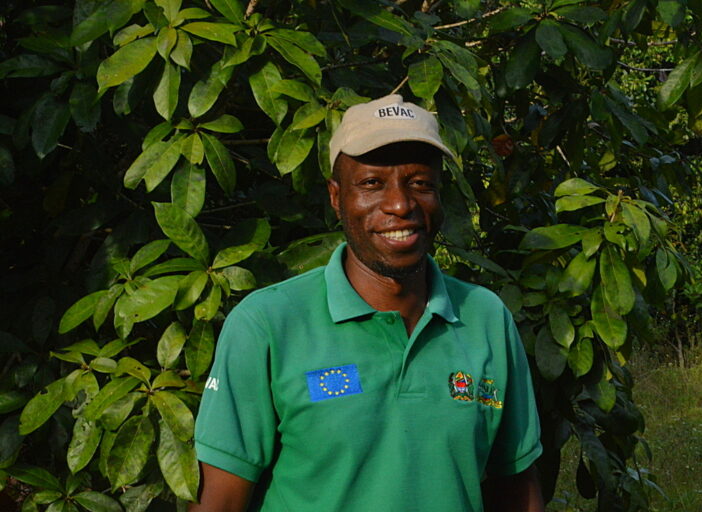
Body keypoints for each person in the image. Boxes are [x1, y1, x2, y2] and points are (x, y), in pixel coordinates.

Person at [190, 95, 544, 512]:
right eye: (372, 183)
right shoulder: (268, 323)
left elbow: (517, 490)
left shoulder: (485, 318)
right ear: (337, 197)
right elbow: (221, 503)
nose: (400, 204)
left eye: (420, 183)